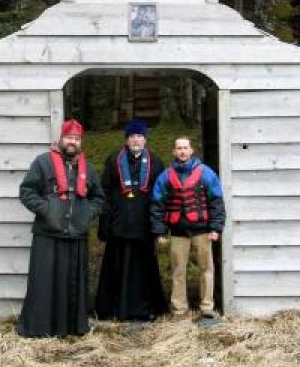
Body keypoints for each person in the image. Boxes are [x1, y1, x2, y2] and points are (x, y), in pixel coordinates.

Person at [16, 119, 105, 338]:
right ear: (61, 139)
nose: (72, 142)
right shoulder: (42, 162)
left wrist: (87, 213)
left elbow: (99, 198)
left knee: (73, 284)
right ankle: (40, 329)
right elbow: (27, 191)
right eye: (69, 137)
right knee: (44, 283)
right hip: (48, 233)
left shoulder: (88, 169)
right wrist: (45, 209)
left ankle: (72, 328)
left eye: (76, 138)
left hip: (77, 235)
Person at [95, 119, 167, 321]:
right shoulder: (113, 161)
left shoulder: (156, 162)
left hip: (144, 226)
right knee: (117, 266)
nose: (136, 140)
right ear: (126, 140)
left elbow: (161, 195)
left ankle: (146, 308)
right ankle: (114, 308)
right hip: (120, 225)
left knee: (144, 269)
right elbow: (105, 192)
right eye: (132, 136)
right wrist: (105, 222)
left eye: (140, 136)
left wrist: (159, 226)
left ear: (145, 140)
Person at [151, 137, 225, 320]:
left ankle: (207, 307)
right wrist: (159, 231)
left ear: (191, 150)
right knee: (178, 271)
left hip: (203, 231)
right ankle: (179, 310)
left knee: (206, 269)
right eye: (179, 148)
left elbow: (217, 202)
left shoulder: (206, 173)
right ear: (174, 152)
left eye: (185, 148)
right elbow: (157, 204)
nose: (182, 151)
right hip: (178, 232)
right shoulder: (166, 176)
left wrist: (216, 228)